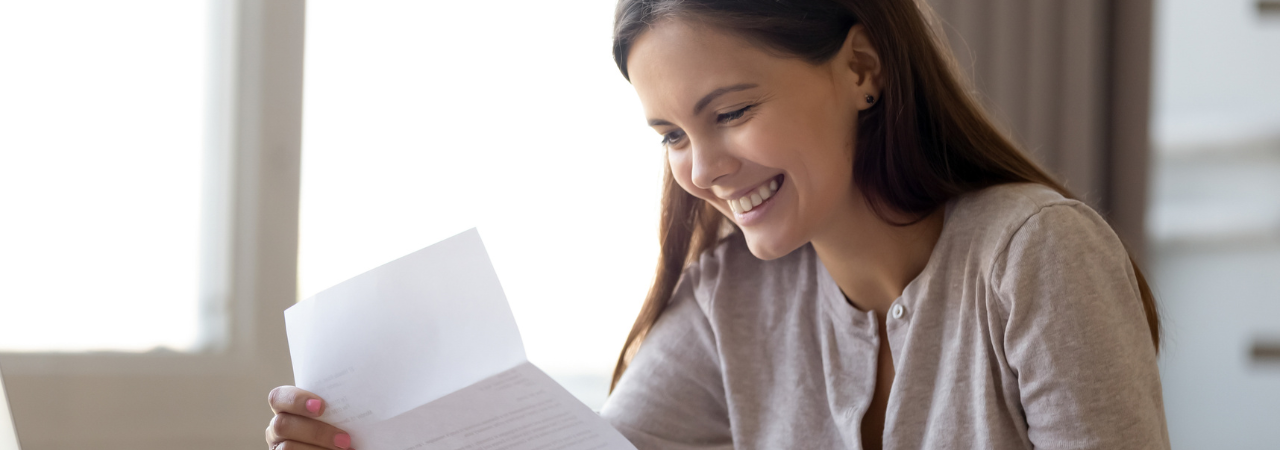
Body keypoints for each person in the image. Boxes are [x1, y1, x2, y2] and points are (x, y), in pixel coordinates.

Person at [266, 0, 1169, 449]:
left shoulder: (1031, 255)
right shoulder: (729, 298)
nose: (701, 170)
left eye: (730, 111)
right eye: (670, 135)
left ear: (861, 68)